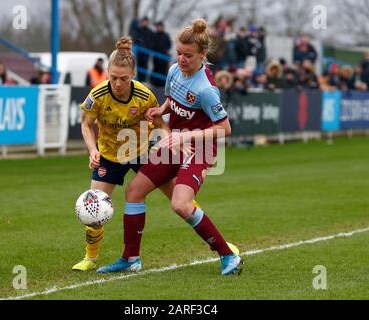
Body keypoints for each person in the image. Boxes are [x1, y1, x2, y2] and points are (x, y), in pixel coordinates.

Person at [97, 19, 243, 276]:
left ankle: (227, 255)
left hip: (200, 147)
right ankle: (130, 258)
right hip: (176, 141)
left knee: (181, 204)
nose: (181, 59)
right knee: (134, 191)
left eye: (188, 55)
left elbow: (225, 129)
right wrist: (161, 110)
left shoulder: (206, 89)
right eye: (178, 53)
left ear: (201, 55)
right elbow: (171, 100)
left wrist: (185, 138)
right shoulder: (174, 70)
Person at [72, 36, 200, 271]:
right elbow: (85, 124)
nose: (118, 83)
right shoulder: (98, 95)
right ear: (108, 73)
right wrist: (92, 150)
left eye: (123, 78)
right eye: (113, 78)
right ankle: (90, 258)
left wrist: (175, 141)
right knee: (94, 207)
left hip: (142, 153)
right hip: (109, 156)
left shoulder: (144, 95)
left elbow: (160, 124)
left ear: (133, 74)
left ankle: (218, 243)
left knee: (180, 199)